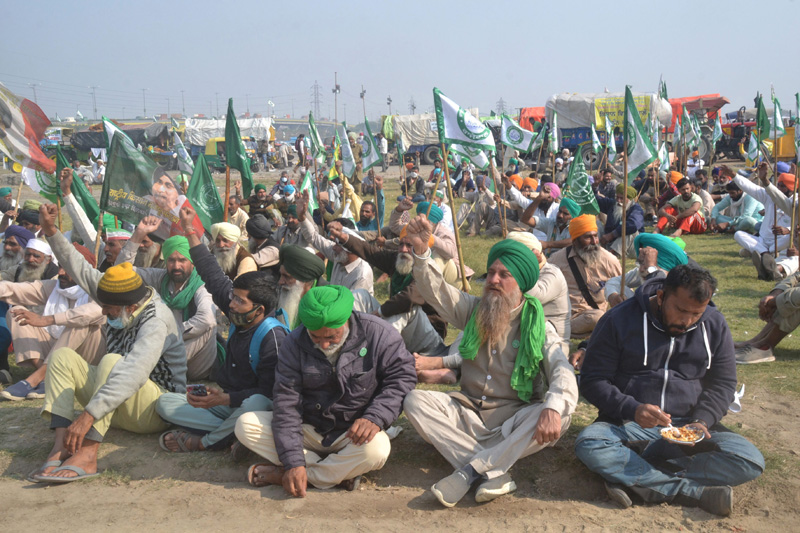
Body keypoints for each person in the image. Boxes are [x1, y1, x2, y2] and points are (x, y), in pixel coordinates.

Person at [402, 223, 578, 507]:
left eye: (504, 275)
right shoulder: (473, 310)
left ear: (521, 283)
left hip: (513, 421)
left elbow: (562, 370)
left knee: (561, 414)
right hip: (467, 414)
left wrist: (554, 407)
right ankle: (493, 470)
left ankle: (469, 471)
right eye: (491, 273)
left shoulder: (539, 328)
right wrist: (422, 254)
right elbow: (438, 292)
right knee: (414, 401)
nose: (493, 280)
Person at [575, 265, 765, 516]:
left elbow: (723, 383)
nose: (687, 321)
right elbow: (593, 380)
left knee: (749, 460)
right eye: (681, 310)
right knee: (590, 444)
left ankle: (636, 479)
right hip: (629, 425)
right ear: (662, 296)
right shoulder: (618, 319)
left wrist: (702, 421)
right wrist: (633, 408)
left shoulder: (714, 324)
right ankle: (690, 492)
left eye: (696, 313)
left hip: (689, 429)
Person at [29, 203, 186, 483]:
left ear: (131, 307)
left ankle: (88, 453)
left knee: (113, 361)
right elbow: (77, 266)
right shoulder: (114, 293)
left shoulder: (156, 319)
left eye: (109, 310)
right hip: (115, 402)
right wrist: (51, 230)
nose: (103, 312)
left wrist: (88, 415)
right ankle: (61, 445)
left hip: (154, 409)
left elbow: (134, 371)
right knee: (62, 357)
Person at [234, 285, 416, 495]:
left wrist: (375, 417)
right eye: (316, 337)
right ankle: (335, 473)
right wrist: (294, 461)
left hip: (353, 434)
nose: (324, 344)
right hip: (308, 429)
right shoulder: (293, 344)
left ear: (346, 321)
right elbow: (287, 405)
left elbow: (402, 378)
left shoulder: (379, 334)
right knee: (245, 425)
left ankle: (296, 476)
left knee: (377, 450)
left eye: (332, 337)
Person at [155, 206, 288, 453]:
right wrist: (189, 229)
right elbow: (211, 272)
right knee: (165, 403)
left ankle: (205, 442)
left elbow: (270, 392)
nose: (231, 304)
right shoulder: (240, 314)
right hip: (228, 404)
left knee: (256, 403)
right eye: (233, 298)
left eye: (239, 301)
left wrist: (226, 398)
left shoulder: (272, 337)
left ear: (259, 309)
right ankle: (234, 433)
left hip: (255, 407)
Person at [0, 244, 105, 402]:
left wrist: (47, 319)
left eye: (67, 269)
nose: (61, 273)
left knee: (79, 321)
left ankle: (35, 379)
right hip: (58, 350)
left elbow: (92, 312)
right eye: (60, 266)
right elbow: (16, 290)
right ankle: (47, 376)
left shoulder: (100, 288)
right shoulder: (54, 287)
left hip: (89, 355)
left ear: (84, 270)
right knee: (16, 312)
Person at [115, 218, 217, 380]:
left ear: (192, 263)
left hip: (196, 360)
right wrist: (138, 235)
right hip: (164, 347)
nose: (176, 266)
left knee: (207, 326)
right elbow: (121, 272)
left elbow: (207, 319)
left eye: (182, 260)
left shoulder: (201, 285)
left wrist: (166, 335)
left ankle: (152, 366)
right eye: (171, 260)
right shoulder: (161, 278)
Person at [549, 214, 622, 338]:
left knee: (598, 317)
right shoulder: (557, 259)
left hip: (594, 315)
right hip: (565, 316)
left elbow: (624, 290)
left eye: (595, 236)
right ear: (575, 240)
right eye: (588, 237)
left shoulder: (609, 260)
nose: (594, 242)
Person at [296, 194, 374, 295]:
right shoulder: (340, 254)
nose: (333, 247)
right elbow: (313, 237)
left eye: (338, 245)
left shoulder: (362, 274)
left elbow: (349, 303)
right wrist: (302, 217)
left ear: (350, 249)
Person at [728, 165, 794, 281]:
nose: (778, 188)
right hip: (763, 241)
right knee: (738, 234)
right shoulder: (769, 195)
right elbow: (750, 187)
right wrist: (734, 175)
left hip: (781, 242)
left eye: (783, 186)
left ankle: (763, 258)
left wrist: (788, 230)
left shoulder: (796, 202)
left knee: (792, 239)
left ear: (791, 189)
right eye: (778, 185)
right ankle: (765, 255)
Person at [505, 232, 571, 341]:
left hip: (549, 342)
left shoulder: (552, 274)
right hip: (524, 333)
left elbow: (531, 297)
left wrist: (527, 266)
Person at [596, 184, 645, 258]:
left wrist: (612, 235)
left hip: (629, 247)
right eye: (617, 197)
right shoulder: (613, 204)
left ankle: (610, 255)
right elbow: (596, 200)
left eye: (622, 198)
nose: (618, 201)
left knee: (630, 231)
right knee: (597, 223)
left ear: (630, 200)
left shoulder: (636, 209)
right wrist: (594, 187)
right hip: (609, 243)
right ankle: (596, 249)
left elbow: (633, 225)